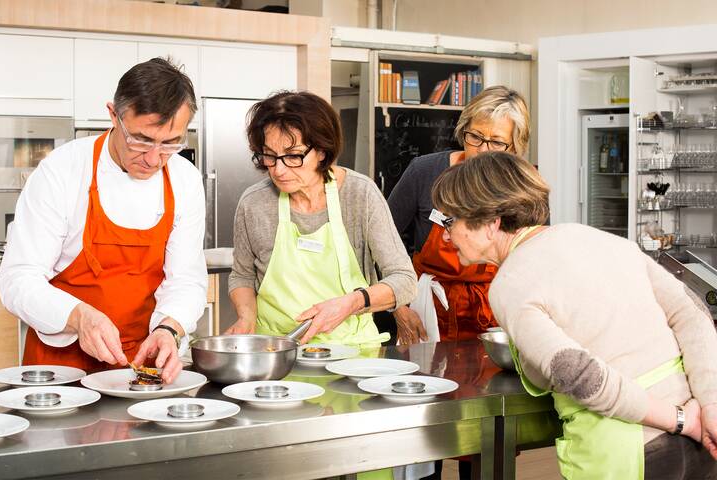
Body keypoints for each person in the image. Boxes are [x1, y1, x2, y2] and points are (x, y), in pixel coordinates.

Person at [432, 151, 717, 479]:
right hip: (699, 438)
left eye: (450, 221)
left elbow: (577, 374)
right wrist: (708, 407)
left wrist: (681, 420)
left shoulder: (509, 284)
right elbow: (693, 314)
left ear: (491, 223)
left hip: (629, 450)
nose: (445, 235)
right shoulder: (599, 238)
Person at [0, 58, 207, 383]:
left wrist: (170, 329)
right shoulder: (62, 171)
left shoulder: (184, 179)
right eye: (141, 140)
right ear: (113, 115)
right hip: (60, 369)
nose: (154, 159)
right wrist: (79, 317)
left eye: (169, 143)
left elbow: (186, 280)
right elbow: (18, 280)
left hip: (142, 366)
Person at [225, 90, 417, 348]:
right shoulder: (254, 202)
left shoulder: (360, 194)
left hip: (352, 353)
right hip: (276, 350)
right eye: (269, 155)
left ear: (323, 152)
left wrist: (351, 303)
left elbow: (404, 280)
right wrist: (246, 317)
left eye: (293, 156)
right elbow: (242, 276)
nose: (278, 170)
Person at [386, 86, 530, 345]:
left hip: (495, 311)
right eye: (475, 136)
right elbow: (381, 244)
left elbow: (534, 262)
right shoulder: (424, 171)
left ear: (514, 147)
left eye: (496, 142)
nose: (483, 150)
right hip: (427, 309)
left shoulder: (523, 186)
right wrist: (399, 308)